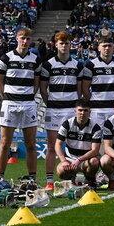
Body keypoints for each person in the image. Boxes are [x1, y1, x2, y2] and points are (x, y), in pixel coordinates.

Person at [39, 30, 85, 191]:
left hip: (71, 111)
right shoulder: (48, 65)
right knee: (52, 146)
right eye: (61, 43)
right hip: (54, 111)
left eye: (67, 43)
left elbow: (80, 90)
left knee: (72, 145)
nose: (64, 46)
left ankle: (71, 178)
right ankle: (50, 181)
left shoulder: (78, 65)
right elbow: (43, 89)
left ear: (70, 45)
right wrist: (51, 104)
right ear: (56, 45)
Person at [0, 27, 41, 183]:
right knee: (4, 142)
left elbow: (36, 84)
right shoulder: (6, 58)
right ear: (17, 38)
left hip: (28, 104)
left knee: (30, 143)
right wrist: (7, 98)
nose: (25, 41)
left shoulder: (35, 59)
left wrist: (27, 97)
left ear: (31, 40)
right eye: (22, 38)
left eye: (28, 38)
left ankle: (32, 178)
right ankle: (0, 178)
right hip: (10, 104)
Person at [81, 36, 114, 130]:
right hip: (96, 110)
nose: (107, 48)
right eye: (104, 46)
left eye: (109, 46)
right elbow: (85, 89)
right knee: (96, 139)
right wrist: (94, 100)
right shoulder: (91, 65)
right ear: (99, 48)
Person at [55, 99, 102, 186]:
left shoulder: (95, 127)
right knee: (61, 170)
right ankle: (71, 178)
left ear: (90, 112)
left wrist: (79, 160)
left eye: (85, 110)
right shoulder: (67, 124)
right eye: (80, 110)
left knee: (94, 162)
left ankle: (89, 179)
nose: (82, 113)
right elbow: (58, 144)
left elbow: (95, 151)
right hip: (70, 158)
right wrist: (63, 160)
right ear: (75, 111)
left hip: (86, 160)